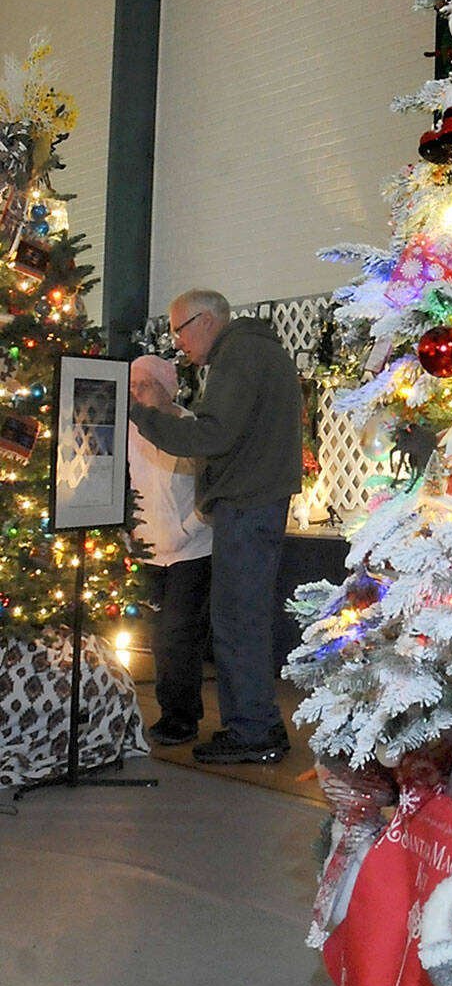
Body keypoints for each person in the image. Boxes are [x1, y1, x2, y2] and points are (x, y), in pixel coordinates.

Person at [129, 290, 302, 765]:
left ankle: (253, 731)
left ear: (205, 321)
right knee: (239, 620)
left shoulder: (239, 356)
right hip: (255, 502)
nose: (177, 343)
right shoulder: (258, 351)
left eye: (179, 330)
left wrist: (140, 415)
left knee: (237, 622)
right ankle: (257, 724)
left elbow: (213, 435)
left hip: (247, 505)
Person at [127, 354, 212, 746]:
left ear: (166, 388)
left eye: (143, 385)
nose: (135, 394)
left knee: (179, 633)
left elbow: (209, 490)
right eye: (131, 387)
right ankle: (166, 708)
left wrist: (186, 529)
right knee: (156, 634)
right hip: (145, 550)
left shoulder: (191, 429)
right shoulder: (128, 432)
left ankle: (181, 716)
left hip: (191, 549)